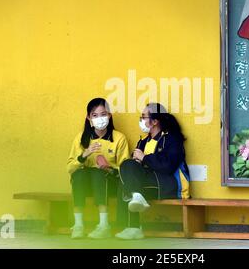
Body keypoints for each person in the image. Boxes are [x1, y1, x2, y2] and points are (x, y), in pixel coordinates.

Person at [115, 103, 190, 240]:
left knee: (128, 184)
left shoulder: (171, 139)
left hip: (168, 184)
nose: (141, 121)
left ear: (155, 121)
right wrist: (137, 162)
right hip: (147, 182)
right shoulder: (143, 142)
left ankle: (133, 227)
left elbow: (167, 167)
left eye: (143, 117)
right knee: (127, 167)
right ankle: (136, 201)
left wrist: (144, 158)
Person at [67, 98, 130, 239]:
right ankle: (78, 225)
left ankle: (104, 225)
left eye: (103, 114)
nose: (99, 118)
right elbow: (70, 168)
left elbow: (126, 170)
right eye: (95, 115)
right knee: (78, 175)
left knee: (97, 173)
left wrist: (108, 168)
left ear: (109, 115)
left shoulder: (119, 138)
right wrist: (84, 155)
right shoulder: (81, 138)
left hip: (110, 183)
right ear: (89, 118)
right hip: (85, 184)